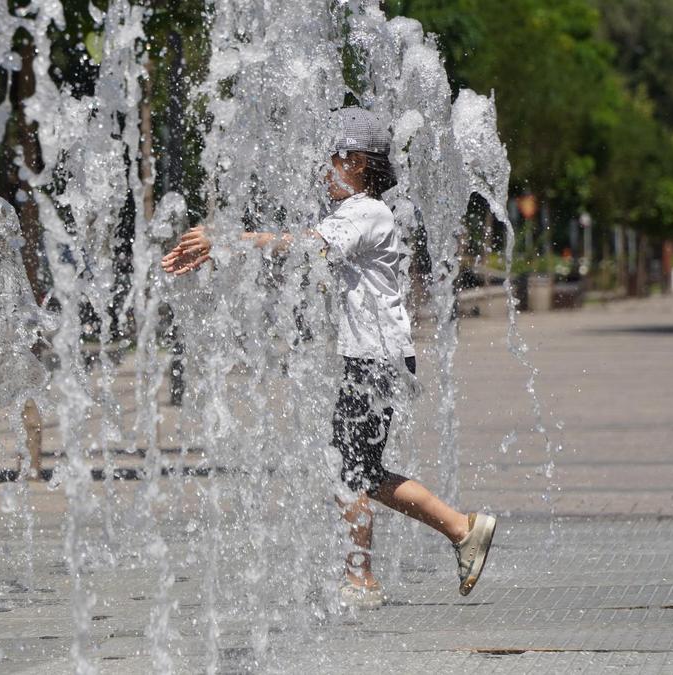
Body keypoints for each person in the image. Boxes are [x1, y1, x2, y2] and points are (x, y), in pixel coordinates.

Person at [161, 108, 496, 609]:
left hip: (376, 360)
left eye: (332, 161)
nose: (324, 172)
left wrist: (226, 240)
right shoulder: (356, 213)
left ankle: (366, 576)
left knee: (351, 468)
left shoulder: (367, 213)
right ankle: (458, 530)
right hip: (374, 358)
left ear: (358, 164)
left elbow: (304, 248)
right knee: (359, 469)